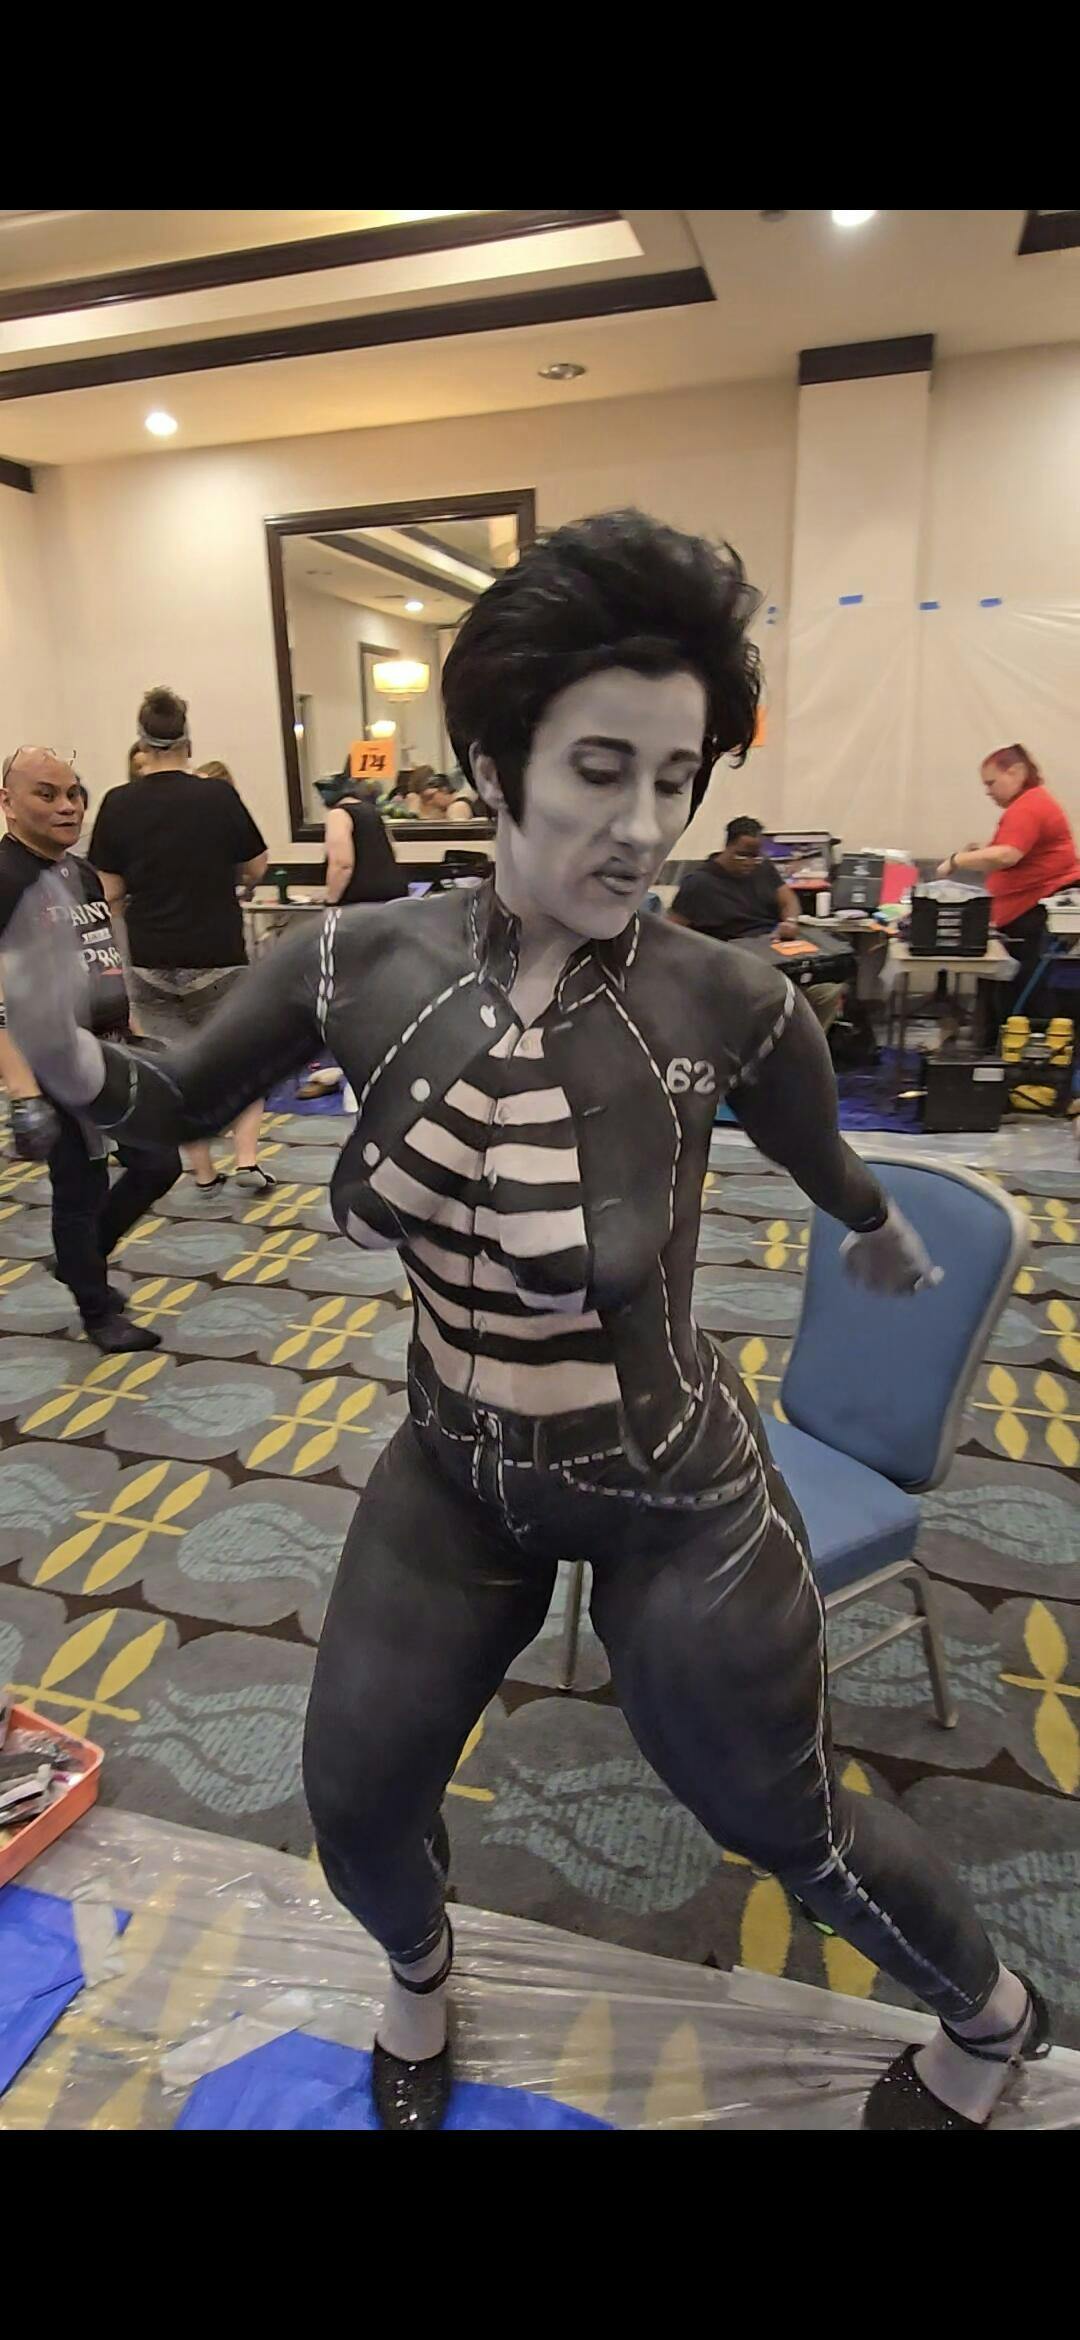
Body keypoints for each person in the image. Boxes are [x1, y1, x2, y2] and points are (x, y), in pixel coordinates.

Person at [2, 512, 1048, 2135]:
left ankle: (991, 2018)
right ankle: (420, 1979)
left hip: (673, 1492)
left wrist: (874, 1226)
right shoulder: (357, 962)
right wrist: (71, 1062)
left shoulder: (727, 998)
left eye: (676, 779)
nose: (643, 827)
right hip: (456, 1469)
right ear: (494, 766)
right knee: (354, 1797)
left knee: (781, 1817)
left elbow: (823, 1153)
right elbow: (172, 1102)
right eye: (599, 771)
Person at [0, 747, 179, 1351]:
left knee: (158, 1163)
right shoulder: (5, 879)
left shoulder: (81, 874)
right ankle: (97, 1311)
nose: (68, 806)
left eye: (74, 793)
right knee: (81, 1187)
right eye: (47, 794)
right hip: (52, 1060)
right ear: (8, 803)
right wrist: (23, 1093)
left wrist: (132, 1032)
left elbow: (102, 960)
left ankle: (80, 1261)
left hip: (108, 1053)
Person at [89, 687, 275, 1193]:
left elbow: (109, 891)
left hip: (151, 958)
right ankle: (246, 1159)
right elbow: (257, 866)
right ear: (187, 740)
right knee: (245, 1061)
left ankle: (202, 1170)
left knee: (175, 1069)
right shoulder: (217, 796)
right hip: (218, 954)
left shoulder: (117, 804)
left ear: (141, 743)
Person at [937, 745, 1080, 1032]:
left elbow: (1008, 855)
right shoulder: (1029, 804)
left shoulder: (1030, 806)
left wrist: (956, 860)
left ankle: (1024, 1048)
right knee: (1011, 993)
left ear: (1015, 772)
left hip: (1036, 914)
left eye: (991, 783)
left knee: (1028, 997)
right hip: (1024, 912)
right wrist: (982, 854)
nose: (988, 792)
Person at [670, 816, 844, 1033]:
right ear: (727, 846)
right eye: (742, 855)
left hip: (774, 952)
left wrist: (790, 921)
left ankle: (803, 1047)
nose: (749, 862)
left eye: (755, 856)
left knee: (827, 991)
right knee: (773, 1000)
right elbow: (672, 931)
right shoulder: (699, 884)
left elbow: (788, 900)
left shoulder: (763, 869)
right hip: (734, 962)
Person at [324, 781, 409, 908]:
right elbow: (393, 850)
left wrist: (331, 900)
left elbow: (342, 864)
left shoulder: (338, 814)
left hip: (361, 902)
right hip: (394, 896)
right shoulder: (373, 811)